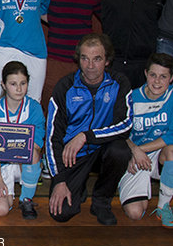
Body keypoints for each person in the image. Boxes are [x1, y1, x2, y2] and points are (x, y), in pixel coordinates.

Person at [46, 33, 132, 225]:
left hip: (103, 150)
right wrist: (59, 180)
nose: (90, 65)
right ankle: (79, 185)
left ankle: (101, 202)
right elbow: (52, 138)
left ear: (107, 61)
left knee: (120, 151)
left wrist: (86, 136)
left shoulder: (119, 83)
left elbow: (125, 125)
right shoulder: (65, 87)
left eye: (97, 59)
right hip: (72, 156)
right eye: (85, 58)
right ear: (78, 60)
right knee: (61, 214)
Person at [118, 53, 173, 228]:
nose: (157, 81)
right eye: (153, 75)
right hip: (135, 159)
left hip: (157, 155)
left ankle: (164, 206)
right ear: (146, 73)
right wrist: (133, 151)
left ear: (171, 78)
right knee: (135, 213)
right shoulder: (131, 98)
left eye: (163, 76)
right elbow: (119, 132)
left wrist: (141, 150)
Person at [42, 0, 100, 104]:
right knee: (52, 101)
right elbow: (38, 8)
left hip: (82, 60)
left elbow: (103, 16)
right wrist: (56, 22)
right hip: (55, 57)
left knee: (81, 104)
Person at [0, 61, 45, 219]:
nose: (19, 89)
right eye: (13, 84)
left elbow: (36, 144)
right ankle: (6, 189)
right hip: (1, 165)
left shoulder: (33, 108)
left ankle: (26, 199)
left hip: (23, 161)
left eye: (23, 83)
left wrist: (12, 145)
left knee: (33, 153)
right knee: (2, 210)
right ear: (3, 85)